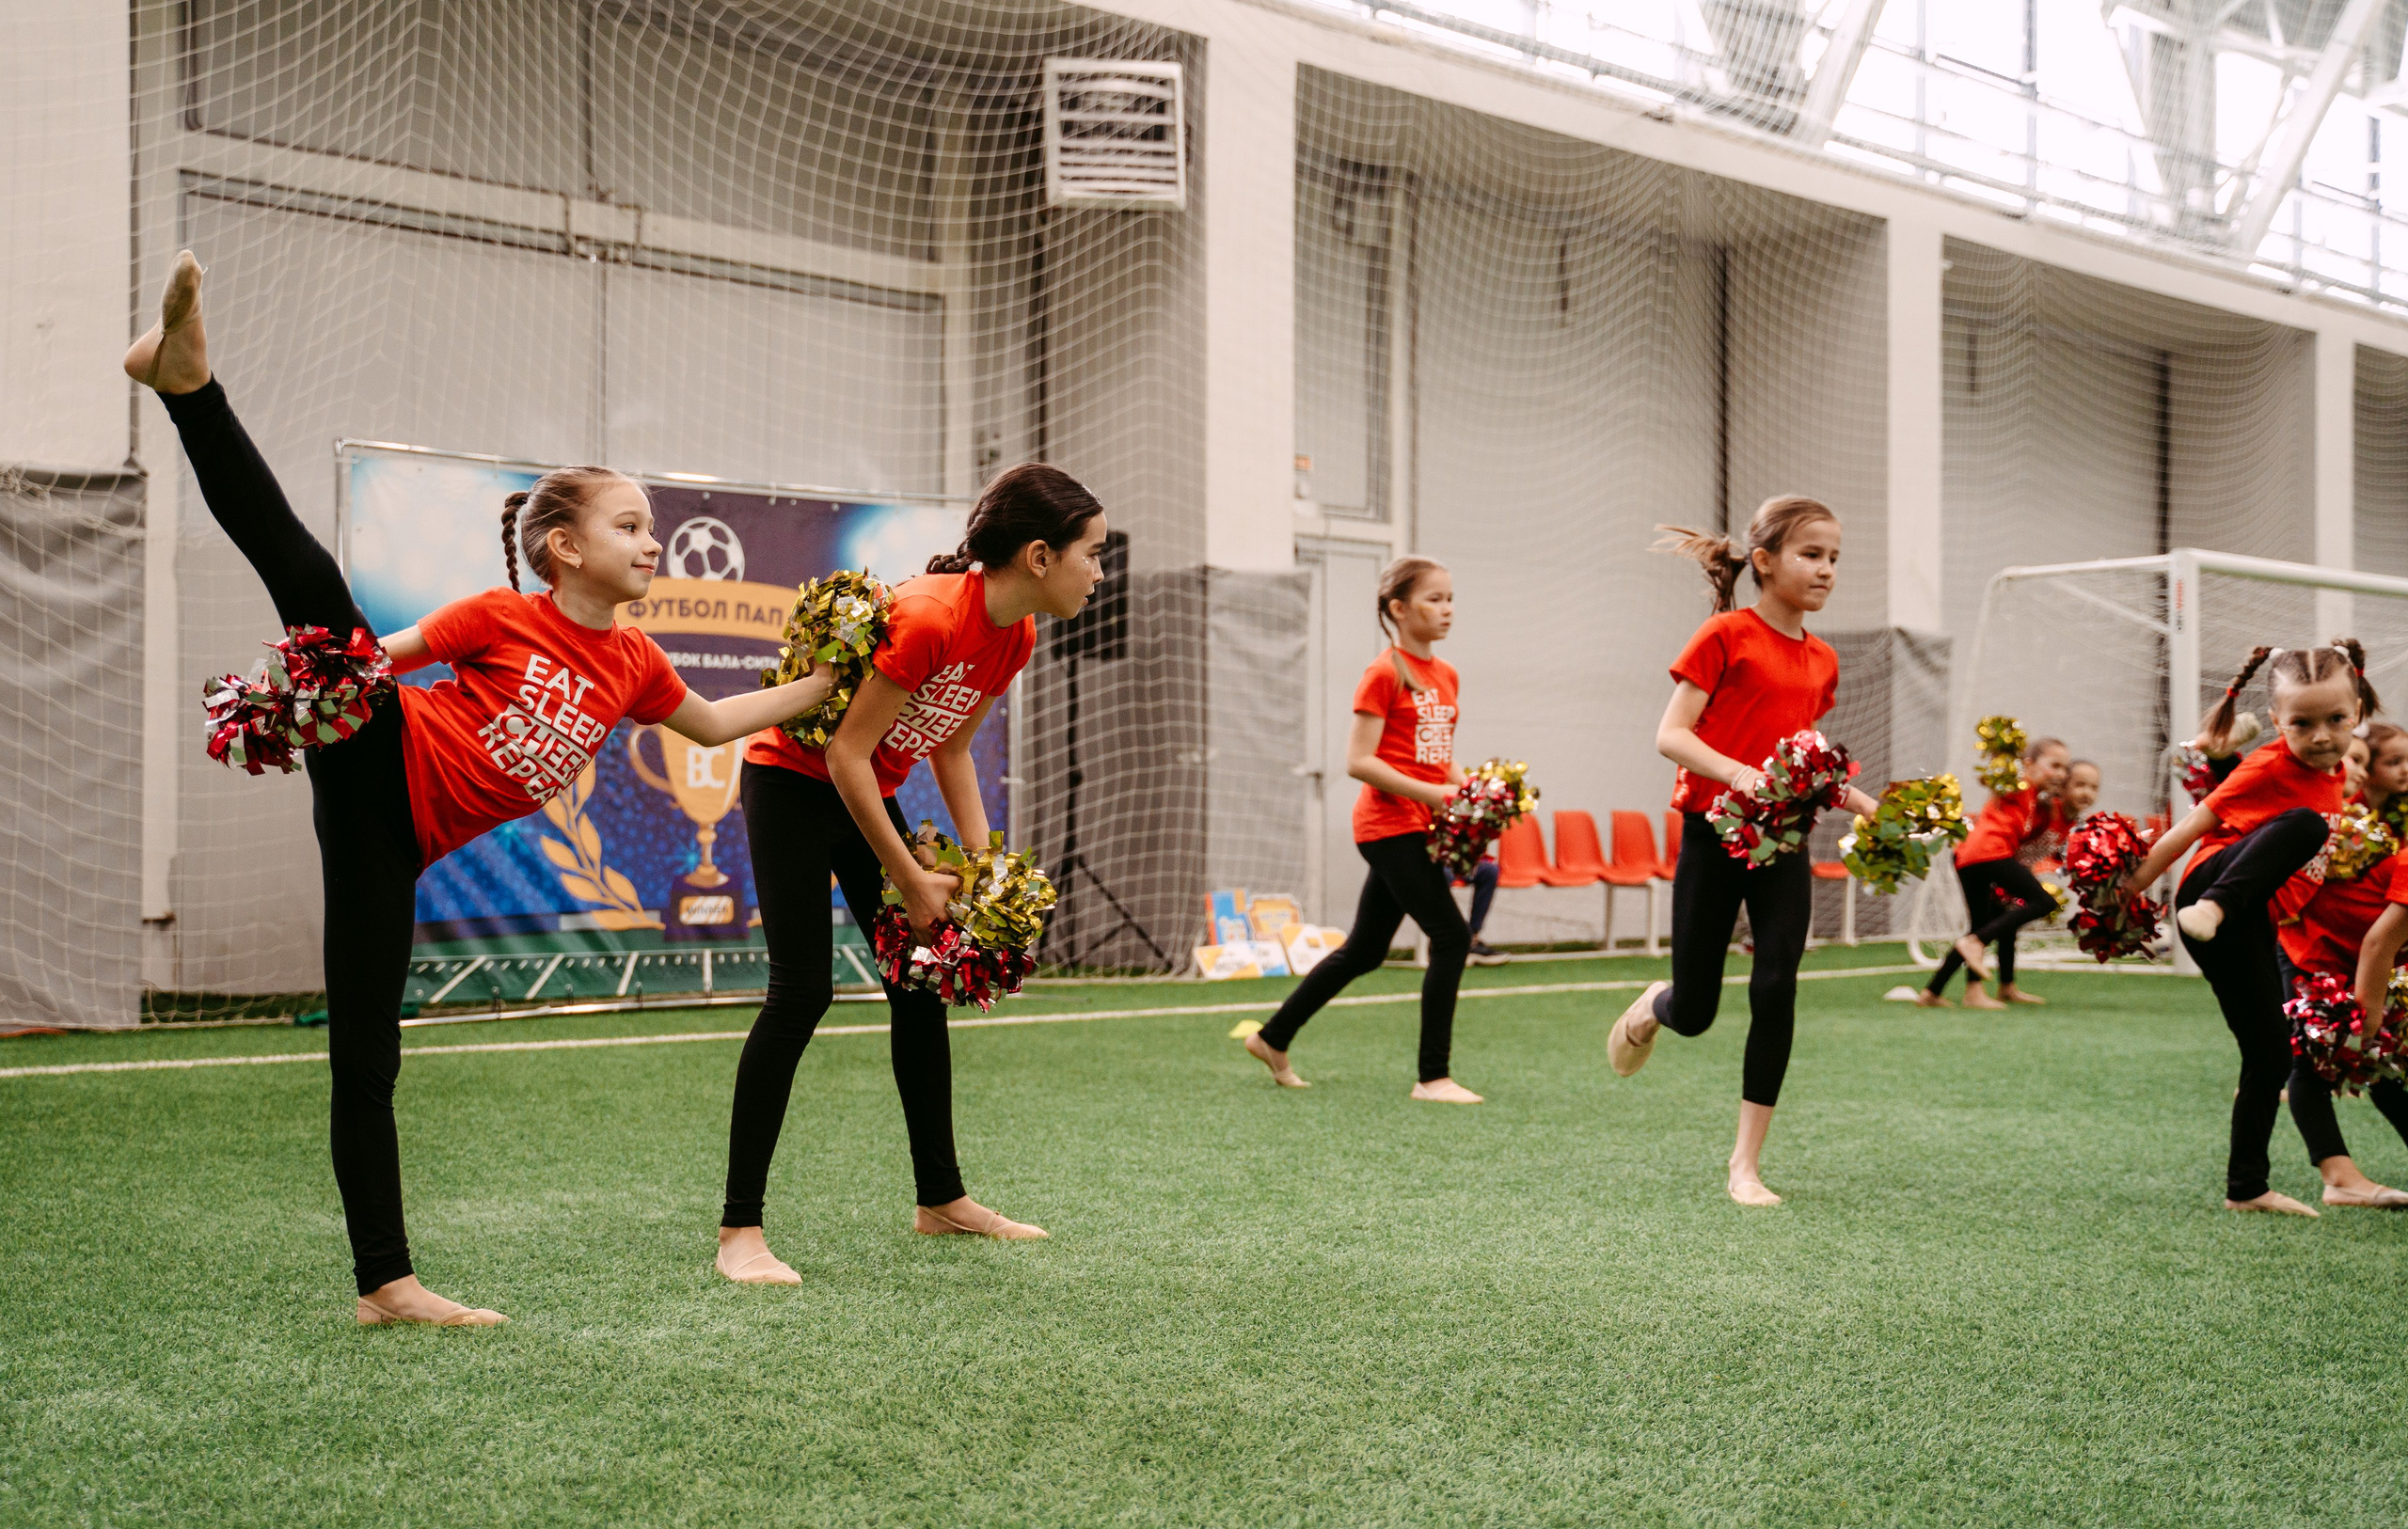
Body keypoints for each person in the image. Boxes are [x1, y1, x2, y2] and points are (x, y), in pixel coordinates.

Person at [124, 252, 838, 1324]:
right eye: (630, 526)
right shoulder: (496, 619)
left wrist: (824, 682)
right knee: (319, 594)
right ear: (564, 548)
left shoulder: (638, 664)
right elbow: (371, 661)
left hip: (393, 845)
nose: (651, 543)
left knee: (370, 1053)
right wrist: (299, 696)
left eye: (651, 527)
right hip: (377, 752)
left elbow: (722, 722)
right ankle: (189, 388)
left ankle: (386, 1285)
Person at [714, 465, 1109, 1284]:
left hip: (863, 793)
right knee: (801, 994)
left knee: (916, 983)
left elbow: (952, 746)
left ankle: (942, 1200)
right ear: (1040, 556)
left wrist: (982, 867)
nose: (1100, 573)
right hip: (793, 784)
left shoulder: (1018, 633)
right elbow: (843, 751)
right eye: (1093, 554)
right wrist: (915, 881)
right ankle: (739, 1231)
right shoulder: (932, 614)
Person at [1605, 497, 1882, 1206]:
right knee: (1696, 1012)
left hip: (1784, 842)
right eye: (1811, 555)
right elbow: (1671, 735)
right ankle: (1653, 1006)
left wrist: (1878, 810)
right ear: (1763, 562)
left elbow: (1811, 766)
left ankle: (1745, 1165)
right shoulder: (1724, 635)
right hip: (1713, 833)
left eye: (1834, 558)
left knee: (1776, 987)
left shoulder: (1823, 660)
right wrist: (1738, 773)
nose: (1826, 570)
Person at [2121, 642, 2379, 1217]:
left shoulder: (2338, 775)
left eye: (2335, 720)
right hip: (2209, 898)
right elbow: (2189, 828)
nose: (2320, 736)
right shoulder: (2268, 766)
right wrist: (2127, 892)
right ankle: (2218, 905)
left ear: (2358, 711)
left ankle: (2247, 1188)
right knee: (2306, 825)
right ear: (2277, 723)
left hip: (2249, 925)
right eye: (2301, 724)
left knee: (2270, 1055)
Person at [1242, 557, 1484, 1102]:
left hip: (1420, 822)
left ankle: (1272, 1037)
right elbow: (1359, 760)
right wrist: (1437, 796)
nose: (1447, 610)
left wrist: (1475, 793)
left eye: (1450, 599)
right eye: (1433, 600)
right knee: (1450, 937)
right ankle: (1433, 1077)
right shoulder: (1384, 673)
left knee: (1366, 951)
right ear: (1398, 609)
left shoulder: (1446, 675)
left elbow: (1437, 757)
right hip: (1387, 825)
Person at [2278, 721, 2408, 1209]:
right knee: (2315, 1062)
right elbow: (2380, 940)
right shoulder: (2334, 816)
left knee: (2388, 1064)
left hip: (2359, 955)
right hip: (2314, 951)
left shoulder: (2387, 819)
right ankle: (2337, 1176)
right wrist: (2369, 1012)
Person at [1917, 737, 2071, 1010]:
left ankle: (1935, 992)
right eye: (2054, 765)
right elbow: (1997, 776)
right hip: (1988, 852)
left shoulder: (2035, 798)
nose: (2060, 774)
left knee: (1983, 924)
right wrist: (2004, 752)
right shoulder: (2016, 783)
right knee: (2043, 902)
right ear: (2029, 764)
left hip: (1969, 857)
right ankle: (1976, 946)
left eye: (2064, 768)